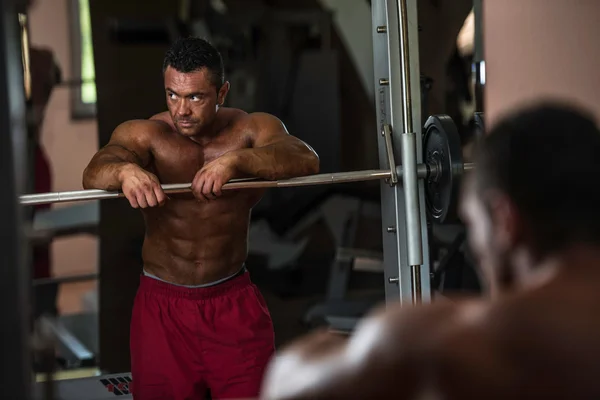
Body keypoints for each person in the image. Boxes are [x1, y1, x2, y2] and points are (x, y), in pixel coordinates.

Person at [259, 103, 600, 400]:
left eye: (473, 222)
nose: (477, 246)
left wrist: (330, 345)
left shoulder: (455, 342)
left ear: (503, 219)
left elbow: (287, 384)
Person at [82, 37, 319, 400]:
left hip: (232, 302)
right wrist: (125, 173)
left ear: (222, 91)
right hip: (163, 308)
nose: (181, 110)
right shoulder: (147, 134)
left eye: (195, 97)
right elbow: (96, 170)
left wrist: (236, 162)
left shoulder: (250, 130)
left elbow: (304, 158)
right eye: (172, 95)